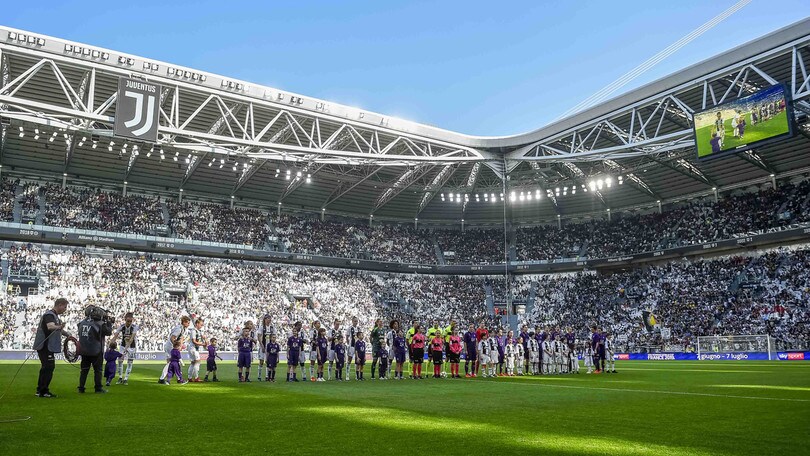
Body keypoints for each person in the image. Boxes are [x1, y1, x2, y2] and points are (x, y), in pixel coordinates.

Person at [33, 297, 71, 398]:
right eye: (65, 307)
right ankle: (44, 391)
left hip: (46, 346)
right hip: (45, 346)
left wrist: (68, 335)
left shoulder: (54, 316)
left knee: (46, 367)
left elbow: (57, 329)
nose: (65, 309)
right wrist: (59, 327)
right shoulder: (50, 315)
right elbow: (50, 327)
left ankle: (40, 390)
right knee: (49, 367)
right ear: (60, 305)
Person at [77, 305, 113, 394]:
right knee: (98, 370)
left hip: (84, 350)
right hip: (96, 351)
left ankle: (81, 388)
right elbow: (108, 332)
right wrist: (109, 323)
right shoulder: (100, 324)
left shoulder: (81, 323)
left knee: (84, 370)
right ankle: (98, 388)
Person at [159, 316, 190, 384]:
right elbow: (172, 338)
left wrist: (180, 347)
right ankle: (163, 379)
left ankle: (178, 379)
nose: (189, 324)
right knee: (172, 363)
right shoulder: (178, 329)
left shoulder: (183, 329)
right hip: (170, 346)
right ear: (184, 322)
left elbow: (181, 339)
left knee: (172, 363)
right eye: (187, 323)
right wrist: (176, 346)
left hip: (171, 346)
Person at [110, 312, 137, 385]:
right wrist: (110, 344)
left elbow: (131, 339)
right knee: (120, 361)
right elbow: (115, 336)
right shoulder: (122, 326)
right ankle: (120, 377)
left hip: (132, 347)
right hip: (123, 345)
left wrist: (126, 349)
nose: (129, 323)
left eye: (130, 321)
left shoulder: (134, 327)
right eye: (128, 321)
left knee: (130, 362)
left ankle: (126, 379)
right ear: (125, 319)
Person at [256, 314, 275, 382]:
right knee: (261, 361)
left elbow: (274, 336)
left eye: (270, 319)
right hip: (263, 346)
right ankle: (259, 376)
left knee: (268, 362)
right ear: (265, 319)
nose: (269, 320)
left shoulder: (272, 327)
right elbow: (259, 337)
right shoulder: (261, 327)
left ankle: (267, 376)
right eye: (267, 319)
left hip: (269, 347)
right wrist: (262, 346)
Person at [187, 318, 206, 383]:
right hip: (193, 348)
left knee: (193, 363)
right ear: (197, 324)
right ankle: (196, 377)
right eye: (201, 325)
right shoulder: (193, 331)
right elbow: (194, 341)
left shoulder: (198, 331)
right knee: (198, 362)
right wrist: (202, 344)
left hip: (193, 348)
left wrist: (203, 339)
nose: (201, 326)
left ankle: (189, 378)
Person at [347, 317, 360, 381]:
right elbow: (347, 336)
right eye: (355, 321)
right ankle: (347, 375)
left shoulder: (358, 328)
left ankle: (357, 376)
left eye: (357, 321)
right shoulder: (350, 328)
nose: (356, 322)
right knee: (349, 360)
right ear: (352, 321)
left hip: (357, 347)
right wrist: (348, 344)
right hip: (351, 346)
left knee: (357, 361)